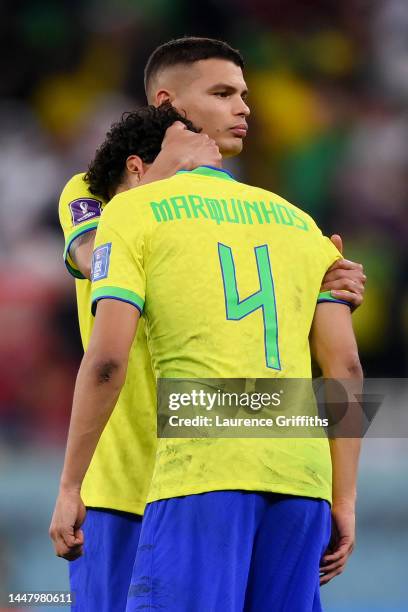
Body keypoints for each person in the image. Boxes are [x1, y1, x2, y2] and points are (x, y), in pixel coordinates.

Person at [54, 37, 365, 609]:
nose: (245, 108)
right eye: (223, 93)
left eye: (245, 94)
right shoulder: (100, 190)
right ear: (169, 104)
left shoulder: (263, 212)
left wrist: (318, 287)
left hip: (201, 468)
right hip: (127, 484)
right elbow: (97, 257)